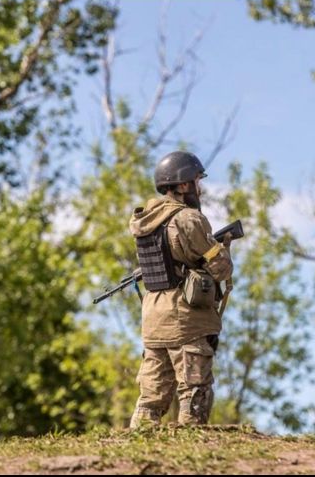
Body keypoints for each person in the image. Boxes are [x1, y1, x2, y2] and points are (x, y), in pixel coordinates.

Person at [128, 150, 233, 427]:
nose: (200, 188)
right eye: (197, 181)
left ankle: (139, 441)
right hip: (186, 319)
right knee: (194, 393)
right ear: (184, 184)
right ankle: (190, 443)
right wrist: (223, 248)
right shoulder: (188, 219)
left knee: (150, 398)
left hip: (153, 317)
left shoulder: (143, 221)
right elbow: (220, 268)